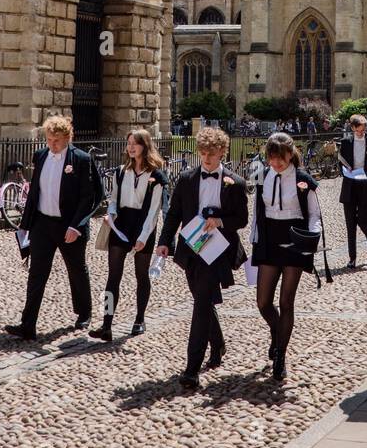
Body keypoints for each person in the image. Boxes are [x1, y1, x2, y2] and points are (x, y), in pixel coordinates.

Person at [156, 126, 248, 389]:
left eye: (212, 152)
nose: (207, 157)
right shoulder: (185, 179)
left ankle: (191, 368)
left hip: (217, 251)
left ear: (222, 152)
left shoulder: (235, 183)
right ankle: (218, 344)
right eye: (203, 152)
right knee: (202, 299)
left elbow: (241, 219)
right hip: (191, 248)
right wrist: (164, 242)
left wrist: (219, 221)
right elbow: (173, 214)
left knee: (200, 304)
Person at [5, 115, 99, 341]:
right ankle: (28, 325)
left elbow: (92, 196)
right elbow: (35, 193)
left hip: (69, 226)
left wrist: (77, 226)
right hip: (42, 224)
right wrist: (26, 224)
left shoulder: (81, 159)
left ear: (67, 138)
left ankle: (84, 312)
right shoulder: (41, 156)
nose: (52, 145)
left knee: (76, 269)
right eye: (48, 140)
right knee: (37, 273)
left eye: (56, 140)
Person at [250, 132, 323, 382]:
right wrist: (254, 237)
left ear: (290, 155)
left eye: (281, 158)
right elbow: (258, 210)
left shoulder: (303, 180)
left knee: (286, 302)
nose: (277, 163)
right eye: (272, 158)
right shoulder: (263, 176)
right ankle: (277, 330)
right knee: (262, 301)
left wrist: (314, 235)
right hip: (269, 240)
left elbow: (314, 214)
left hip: (294, 240)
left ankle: (281, 355)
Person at [89, 129, 167, 342]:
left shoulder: (156, 175)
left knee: (141, 276)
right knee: (113, 276)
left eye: (136, 143)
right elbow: (113, 198)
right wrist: (111, 214)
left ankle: (140, 319)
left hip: (143, 226)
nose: (131, 147)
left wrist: (143, 237)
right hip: (121, 226)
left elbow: (154, 210)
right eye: (129, 143)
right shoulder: (120, 172)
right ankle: (106, 324)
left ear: (145, 146)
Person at [338, 114, 367, 267]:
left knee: (363, 218)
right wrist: (345, 169)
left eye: (364, 130)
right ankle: (352, 258)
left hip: (365, 185)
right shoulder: (344, 142)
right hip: (349, 185)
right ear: (352, 128)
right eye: (359, 130)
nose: (361, 132)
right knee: (350, 224)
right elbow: (340, 163)